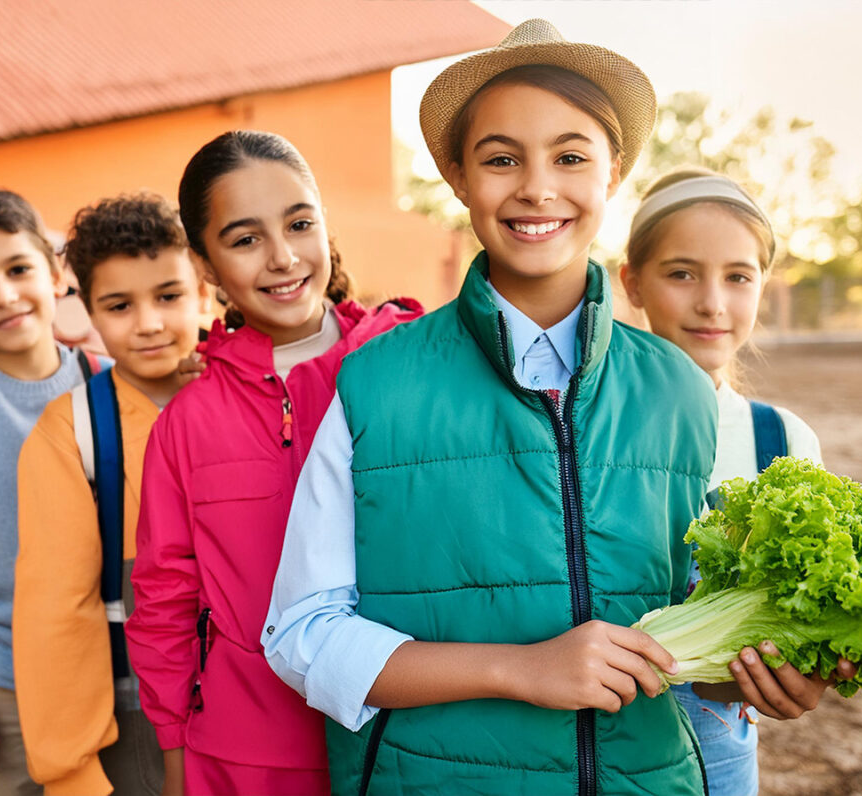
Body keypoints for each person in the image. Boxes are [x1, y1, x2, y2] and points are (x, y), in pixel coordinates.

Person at [262, 20, 736, 796]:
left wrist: (753, 675)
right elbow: (303, 637)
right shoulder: (376, 385)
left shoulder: (682, 389)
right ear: (457, 176)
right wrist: (523, 669)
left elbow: (689, 629)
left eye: (571, 157)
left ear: (613, 172)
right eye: (501, 158)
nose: (537, 187)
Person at [123, 130, 423, 796]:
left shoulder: (403, 367)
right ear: (205, 265)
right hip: (246, 758)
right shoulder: (186, 424)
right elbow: (165, 603)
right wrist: (177, 757)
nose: (284, 258)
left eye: (299, 224)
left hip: (406, 735)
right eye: (245, 238)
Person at [620, 167, 855, 796]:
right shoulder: (587, 428)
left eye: (737, 277)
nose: (712, 303)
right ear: (632, 281)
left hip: (718, 758)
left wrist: (789, 675)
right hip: (590, 745)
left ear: (762, 287)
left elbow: (782, 626)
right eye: (681, 272)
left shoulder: (782, 441)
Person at [13, 193, 207, 796]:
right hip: (136, 714)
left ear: (206, 287)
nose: (148, 323)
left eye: (168, 296)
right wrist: (72, 769)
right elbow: (56, 612)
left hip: (273, 698)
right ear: (88, 310)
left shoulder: (255, 394)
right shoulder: (71, 431)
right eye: (119, 305)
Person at [0, 187, 109, 795]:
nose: (5, 296)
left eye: (17, 269)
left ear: (57, 271)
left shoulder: (112, 387)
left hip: (124, 675)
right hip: (12, 684)